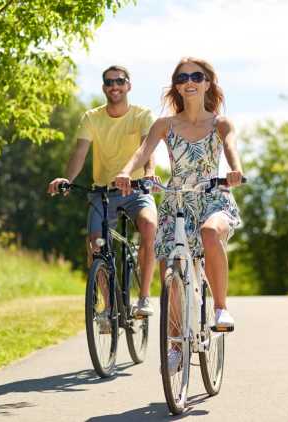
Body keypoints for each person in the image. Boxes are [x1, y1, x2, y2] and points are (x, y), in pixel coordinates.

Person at [114, 57, 243, 334]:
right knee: (170, 267)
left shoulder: (220, 123)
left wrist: (235, 170)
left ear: (207, 83)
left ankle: (221, 308)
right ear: (177, 87)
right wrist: (125, 172)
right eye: (182, 78)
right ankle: (174, 343)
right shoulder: (165, 124)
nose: (190, 82)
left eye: (196, 77)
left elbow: (231, 146)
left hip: (213, 195)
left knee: (210, 233)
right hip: (177, 200)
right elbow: (142, 152)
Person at [47, 65, 158, 316]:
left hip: (136, 190)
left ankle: (143, 299)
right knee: (96, 244)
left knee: (150, 227)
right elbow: (79, 153)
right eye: (109, 82)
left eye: (119, 81)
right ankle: (108, 308)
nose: (114, 86)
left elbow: (147, 150)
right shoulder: (91, 118)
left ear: (128, 85)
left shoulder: (142, 115)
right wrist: (67, 178)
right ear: (103, 88)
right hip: (103, 193)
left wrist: (149, 173)